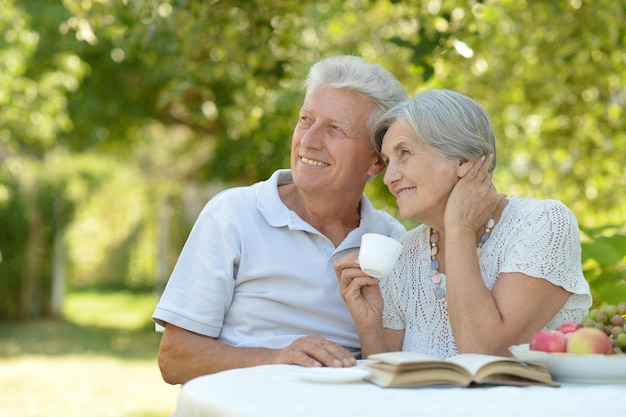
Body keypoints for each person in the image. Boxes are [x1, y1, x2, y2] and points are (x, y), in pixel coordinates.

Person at [152, 55, 407, 384]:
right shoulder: (232, 214)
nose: (309, 140)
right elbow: (174, 359)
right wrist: (274, 359)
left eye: (335, 129)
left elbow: (393, 370)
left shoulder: (390, 242)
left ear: (375, 163)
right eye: (305, 119)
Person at [335, 89, 592, 359]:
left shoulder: (543, 223)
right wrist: (370, 325)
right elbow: (388, 375)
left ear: (464, 160)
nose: (389, 177)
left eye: (405, 152)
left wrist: (459, 228)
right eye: (388, 162)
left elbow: (485, 352)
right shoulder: (403, 252)